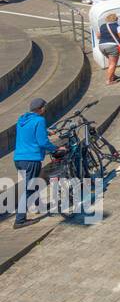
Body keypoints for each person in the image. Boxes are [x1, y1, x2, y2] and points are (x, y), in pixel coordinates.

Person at [12, 98, 66, 228]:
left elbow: (30, 129)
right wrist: (57, 148)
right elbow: (43, 142)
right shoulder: (40, 120)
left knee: (31, 184)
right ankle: (19, 220)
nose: (45, 109)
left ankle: (38, 206)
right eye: (44, 107)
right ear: (41, 109)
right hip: (31, 159)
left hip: (19, 159)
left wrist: (46, 131)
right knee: (30, 188)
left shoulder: (21, 120)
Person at [96, 12, 120, 85]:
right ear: (115, 19)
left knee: (111, 62)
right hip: (112, 46)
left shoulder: (102, 26)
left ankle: (113, 75)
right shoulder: (117, 26)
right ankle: (109, 81)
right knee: (112, 64)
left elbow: (98, 36)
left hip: (102, 46)